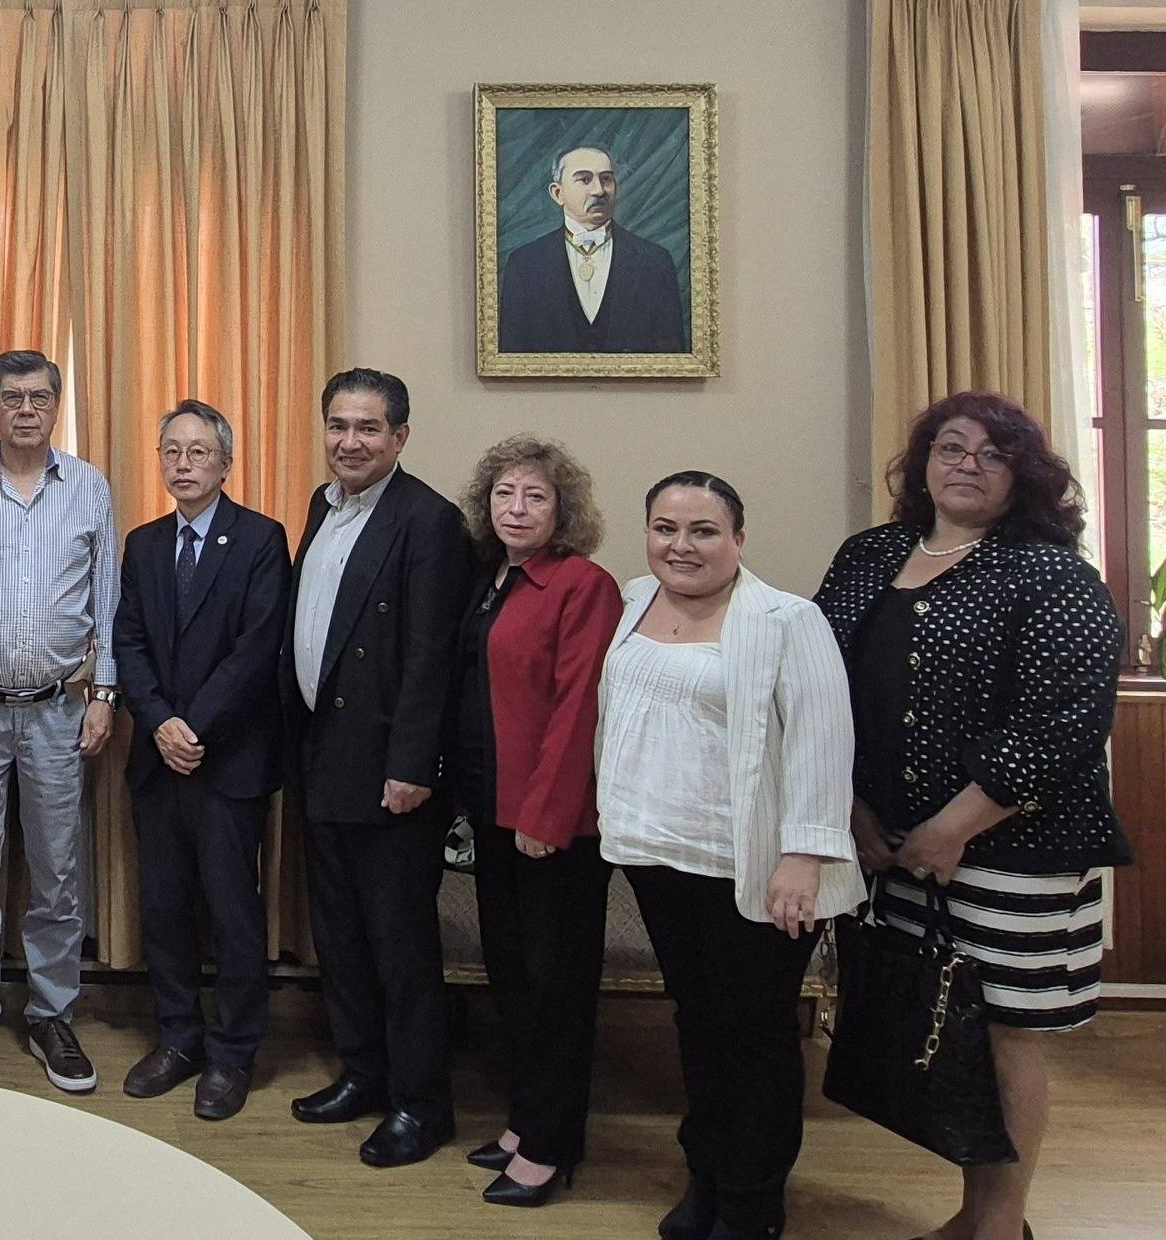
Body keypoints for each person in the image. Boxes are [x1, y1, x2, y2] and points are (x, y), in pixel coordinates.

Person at [814, 393, 1131, 1240]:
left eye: (993, 454)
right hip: (887, 842)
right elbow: (816, 686)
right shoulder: (869, 555)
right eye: (950, 447)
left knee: (1000, 1034)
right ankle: (973, 1212)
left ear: (1023, 477)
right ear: (921, 462)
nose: (967, 464)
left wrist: (952, 827)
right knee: (938, 1024)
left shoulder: (1051, 574)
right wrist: (852, 810)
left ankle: (997, 1223)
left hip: (1013, 845)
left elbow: (1060, 722)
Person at [599, 471, 861, 1240]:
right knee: (698, 1022)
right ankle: (707, 1173)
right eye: (665, 528)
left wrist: (803, 856)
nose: (680, 545)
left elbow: (821, 743)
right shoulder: (631, 600)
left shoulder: (787, 621)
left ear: (737, 540)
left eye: (703, 530)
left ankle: (751, 1202)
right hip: (655, 855)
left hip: (752, 868)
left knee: (753, 1036)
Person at [283, 367, 471, 1168]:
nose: (349, 441)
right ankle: (362, 1073)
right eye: (337, 425)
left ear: (399, 436)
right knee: (341, 937)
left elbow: (433, 655)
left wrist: (413, 765)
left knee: (400, 949)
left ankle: (421, 1106)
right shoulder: (322, 505)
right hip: (322, 756)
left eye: (366, 428)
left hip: (391, 772)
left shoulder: (428, 521)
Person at [0, 348, 121, 1092]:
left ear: (57, 405)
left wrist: (105, 694)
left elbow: (108, 598)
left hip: (58, 713)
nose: (27, 410)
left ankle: (50, 1015)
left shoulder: (89, 487)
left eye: (40, 397)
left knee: (56, 872)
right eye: (12, 398)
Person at [448, 435, 622, 1207]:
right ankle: (528, 1122)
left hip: (554, 827)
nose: (516, 509)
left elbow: (578, 707)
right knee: (513, 980)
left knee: (556, 992)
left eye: (534, 496)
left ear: (562, 510)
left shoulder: (582, 585)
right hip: (493, 813)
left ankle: (550, 1148)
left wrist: (544, 815)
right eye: (504, 494)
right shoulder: (493, 580)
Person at [112, 399, 291, 1121]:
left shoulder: (260, 539)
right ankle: (178, 1038)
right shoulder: (144, 543)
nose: (183, 465)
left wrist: (194, 726)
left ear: (226, 463)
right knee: (163, 908)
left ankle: (232, 1053)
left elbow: (256, 649)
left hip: (227, 762)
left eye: (198, 453)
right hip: (159, 760)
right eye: (171, 452)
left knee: (232, 911)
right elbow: (127, 643)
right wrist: (160, 723)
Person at [497, 144, 687, 354]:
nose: (599, 190)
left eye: (606, 179)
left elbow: (672, 356)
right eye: (584, 179)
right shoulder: (524, 264)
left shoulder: (655, 261)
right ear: (557, 193)